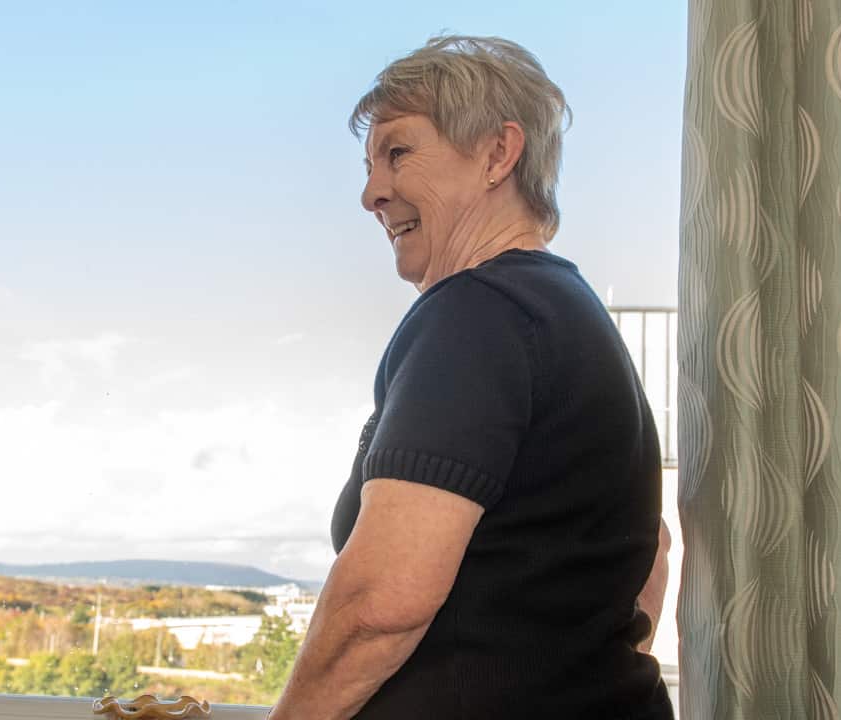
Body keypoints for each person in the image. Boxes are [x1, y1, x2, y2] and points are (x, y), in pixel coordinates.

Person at [268, 36, 673, 719]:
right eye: (369, 165)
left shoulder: (476, 312)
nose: (371, 192)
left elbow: (379, 606)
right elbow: (651, 554)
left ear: (496, 153)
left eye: (397, 152)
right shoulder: (565, 312)